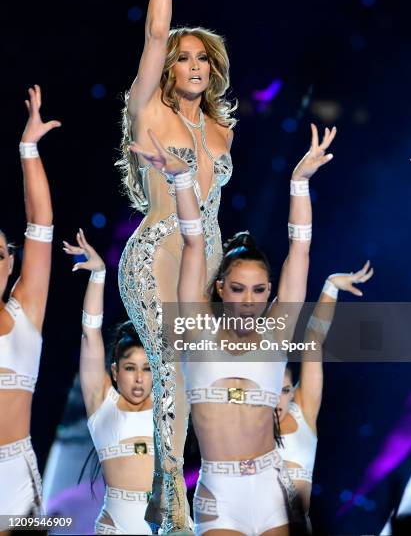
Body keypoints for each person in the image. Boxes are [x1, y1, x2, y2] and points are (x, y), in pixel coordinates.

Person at [133, 123, 336, 534]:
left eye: (260, 290)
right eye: (239, 288)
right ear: (221, 288)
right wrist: (182, 179)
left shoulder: (278, 332)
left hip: (272, 489)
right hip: (219, 493)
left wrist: (298, 182)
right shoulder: (196, 327)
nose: (249, 300)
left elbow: (300, 248)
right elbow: (193, 242)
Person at [116, 0, 236, 532]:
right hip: (156, 252)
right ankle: (173, 509)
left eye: (202, 59)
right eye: (184, 57)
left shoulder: (221, 132)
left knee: (200, 379)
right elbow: (154, 33)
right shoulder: (150, 111)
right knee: (169, 372)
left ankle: (187, 492)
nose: (193, 65)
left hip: (208, 257)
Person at [63, 230, 154, 534]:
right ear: (115, 372)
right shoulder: (102, 405)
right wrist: (99, 275)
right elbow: (91, 335)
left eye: (147, 368)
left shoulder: (168, 407)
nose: (140, 378)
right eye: (130, 368)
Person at [0, 85, 60, 532]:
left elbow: (41, 225)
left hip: (16, 474)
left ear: (11, 263)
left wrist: (28, 148)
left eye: (0, 253)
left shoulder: (26, 313)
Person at [277, 262, 374, 531]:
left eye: (285, 390)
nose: (277, 400)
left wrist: (331, 286)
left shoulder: (302, 409)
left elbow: (313, 340)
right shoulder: (242, 417)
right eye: (269, 391)